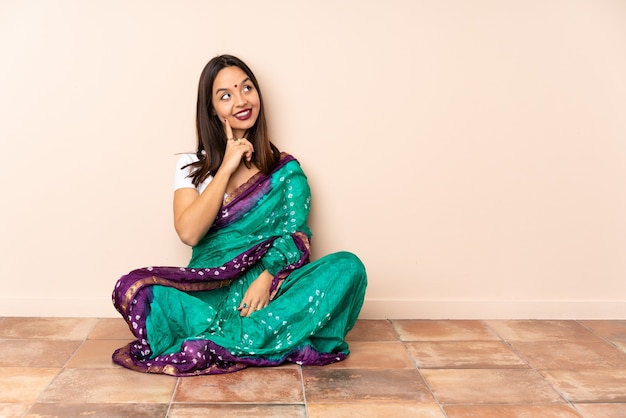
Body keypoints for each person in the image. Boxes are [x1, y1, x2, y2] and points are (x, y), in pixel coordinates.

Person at [112, 55, 367, 376]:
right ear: (211, 110)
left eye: (247, 88)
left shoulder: (285, 172)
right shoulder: (191, 166)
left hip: (269, 297)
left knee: (348, 267)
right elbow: (189, 233)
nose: (241, 100)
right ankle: (261, 341)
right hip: (207, 297)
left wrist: (265, 279)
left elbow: (295, 237)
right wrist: (227, 166)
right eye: (226, 95)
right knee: (134, 286)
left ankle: (219, 343)